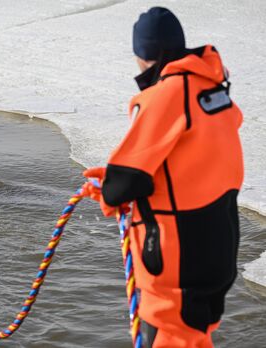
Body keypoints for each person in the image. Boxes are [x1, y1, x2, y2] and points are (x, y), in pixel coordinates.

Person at [83, 7, 243, 348]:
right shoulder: (213, 92)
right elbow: (189, 159)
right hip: (219, 242)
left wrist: (107, 189)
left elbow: (126, 182)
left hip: (177, 254)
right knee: (196, 334)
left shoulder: (168, 94)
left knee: (169, 335)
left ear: (144, 56)